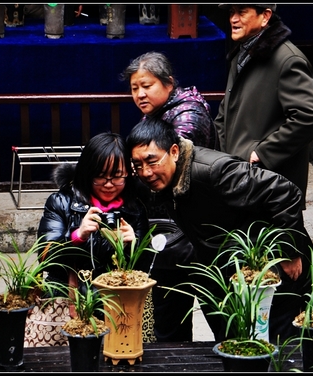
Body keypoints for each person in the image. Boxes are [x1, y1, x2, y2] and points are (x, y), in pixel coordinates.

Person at [126, 117, 313, 343]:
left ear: (174, 152)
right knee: (235, 344)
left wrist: (288, 250)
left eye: (151, 161)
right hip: (235, 273)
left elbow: (284, 192)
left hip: (276, 266)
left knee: (283, 345)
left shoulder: (215, 171)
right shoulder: (166, 180)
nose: (146, 172)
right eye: (138, 165)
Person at [119, 51, 219, 342]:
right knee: (168, 325)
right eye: (135, 88)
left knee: (221, 317)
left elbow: (169, 172)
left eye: (146, 85)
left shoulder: (188, 117)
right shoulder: (161, 114)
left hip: (197, 234)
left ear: (168, 83)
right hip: (171, 235)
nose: (139, 93)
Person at [214, 4, 313, 210]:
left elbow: (312, 115)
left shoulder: (286, 60)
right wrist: (226, 159)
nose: (233, 19)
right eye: (231, 13)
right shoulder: (241, 55)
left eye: (241, 12)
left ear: (265, 16)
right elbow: (224, 115)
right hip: (240, 180)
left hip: (271, 187)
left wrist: (263, 153)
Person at [37, 132, 150, 286]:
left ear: (128, 175)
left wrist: (134, 246)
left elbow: (147, 268)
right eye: (100, 176)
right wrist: (77, 236)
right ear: (86, 173)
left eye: (117, 176)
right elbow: (45, 258)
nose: (109, 184)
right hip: (71, 299)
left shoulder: (135, 209)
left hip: (119, 300)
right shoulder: (61, 202)